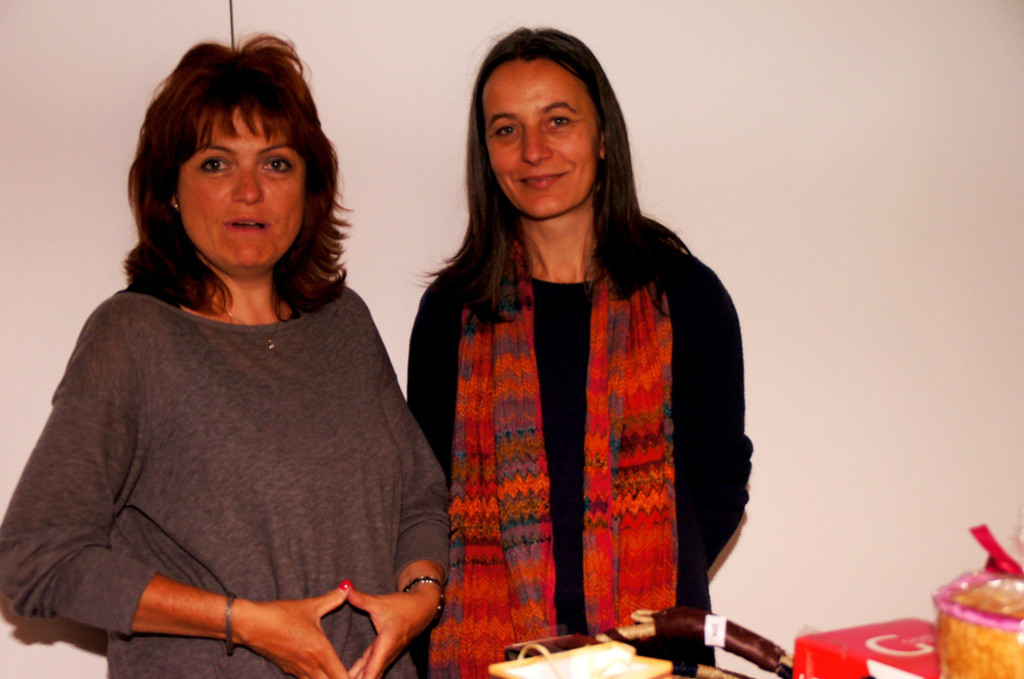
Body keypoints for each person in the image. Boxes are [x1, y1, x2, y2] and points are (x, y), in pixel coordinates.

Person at [0, 35, 447, 679]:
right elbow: (37, 558)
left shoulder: (345, 324)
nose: (248, 191)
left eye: (276, 164)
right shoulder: (132, 337)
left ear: (309, 189)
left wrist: (419, 600)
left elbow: (420, 499)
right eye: (216, 163)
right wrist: (245, 623)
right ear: (171, 190)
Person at [407, 27, 752, 677]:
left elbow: (721, 482)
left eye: (558, 120)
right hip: (490, 659)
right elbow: (425, 496)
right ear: (486, 154)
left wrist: (646, 585)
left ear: (602, 136)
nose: (533, 150)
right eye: (506, 129)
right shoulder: (451, 314)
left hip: (652, 658)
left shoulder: (687, 297)